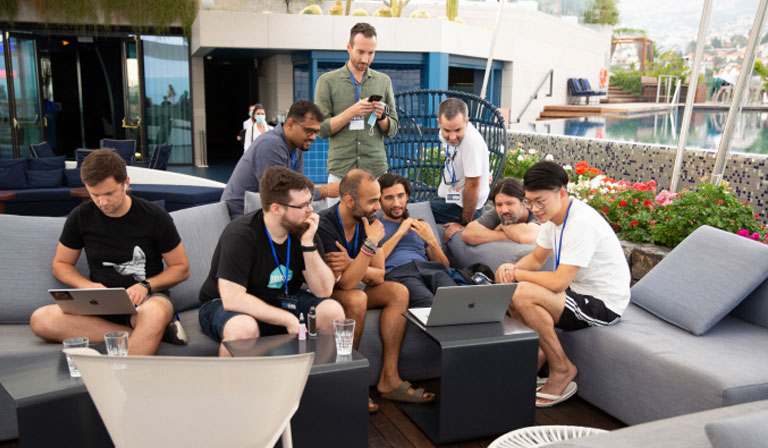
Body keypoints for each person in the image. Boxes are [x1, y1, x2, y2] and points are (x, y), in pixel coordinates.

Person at [495, 161, 630, 408]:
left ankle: (562, 368)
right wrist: (509, 271)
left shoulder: (581, 223)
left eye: (540, 201)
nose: (535, 209)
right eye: (529, 202)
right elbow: (536, 259)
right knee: (512, 290)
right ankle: (538, 355)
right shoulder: (553, 219)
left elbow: (558, 282)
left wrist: (518, 274)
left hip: (602, 304)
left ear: (562, 193)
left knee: (522, 292)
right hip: (576, 293)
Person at [29, 149, 190, 355]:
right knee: (41, 320)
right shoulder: (80, 216)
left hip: (149, 300)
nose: (102, 202)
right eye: (95, 195)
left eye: (109, 194)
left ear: (126, 183)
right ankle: (151, 334)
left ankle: (131, 364)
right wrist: (87, 286)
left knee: (154, 313)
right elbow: (61, 265)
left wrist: (146, 286)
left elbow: (181, 268)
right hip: (100, 304)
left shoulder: (154, 216)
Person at [317, 169, 435, 412]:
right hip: (325, 292)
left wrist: (351, 262)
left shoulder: (371, 222)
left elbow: (379, 275)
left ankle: (389, 379)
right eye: (372, 201)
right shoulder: (325, 225)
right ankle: (348, 381)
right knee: (357, 299)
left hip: (353, 283)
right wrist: (369, 245)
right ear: (349, 200)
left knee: (398, 292)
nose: (378, 207)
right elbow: (344, 284)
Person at [199, 166, 345, 357]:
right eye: (302, 205)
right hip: (227, 305)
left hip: (284, 298)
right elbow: (232, 298)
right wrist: (286, 319)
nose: (310, 210)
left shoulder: (303, 227)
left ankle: (316, 374)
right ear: (276, 208)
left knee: (332, 312)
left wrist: (308, 244)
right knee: (242, 328)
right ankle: (229, 378)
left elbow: (324, 291)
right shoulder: (241, 234)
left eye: (310, 202)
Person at [221, 100, 340, 219]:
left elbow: (299, 187)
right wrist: (324, 191)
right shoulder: (270, 144)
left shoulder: (297, 146)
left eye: (316, 132)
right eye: (309, 131)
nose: (313, 137)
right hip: (241, 216)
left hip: (267, 212)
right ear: (290, 124)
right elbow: (281, 192)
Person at [314, 22, 399, 182]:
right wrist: (352, 112)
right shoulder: (327, 81)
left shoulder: (383, 81)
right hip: (341, 171)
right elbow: (322, 129)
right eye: (360, 52)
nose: (365, 59)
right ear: (349, 47)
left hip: (375, 170)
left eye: (371, 53)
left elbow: (393, 129)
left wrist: (382, 117)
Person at [378, 173, 458, 307]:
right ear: (379, 201)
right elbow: (375, 262)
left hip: (430, 269)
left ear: (407, 196)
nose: (396, 203)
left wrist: (431, 240)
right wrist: (399, 233)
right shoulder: (376, 227)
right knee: (428, 304)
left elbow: (445, 266)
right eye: (389, 198)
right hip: (400, 273)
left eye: (400, 196)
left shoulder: (420, 226)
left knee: (457, 300)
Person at [430, 98, 490, 239]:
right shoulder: (443, 134)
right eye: (447, 130)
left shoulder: (471, 143)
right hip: (452, 196)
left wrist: (464, 223)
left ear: (466, 122)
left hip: (463, 207)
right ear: (439, 123)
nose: (452, 137)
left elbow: (473, 185)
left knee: (411, 212)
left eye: (458, 130)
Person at [461, 177, 540, 246]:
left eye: (510, 203)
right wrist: (507, 235)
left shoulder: (538, 212)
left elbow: (529, 238)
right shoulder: (501, 211)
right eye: (499, 204)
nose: (504, 210)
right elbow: (468, 233)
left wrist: (503, 226)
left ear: (524, 203)